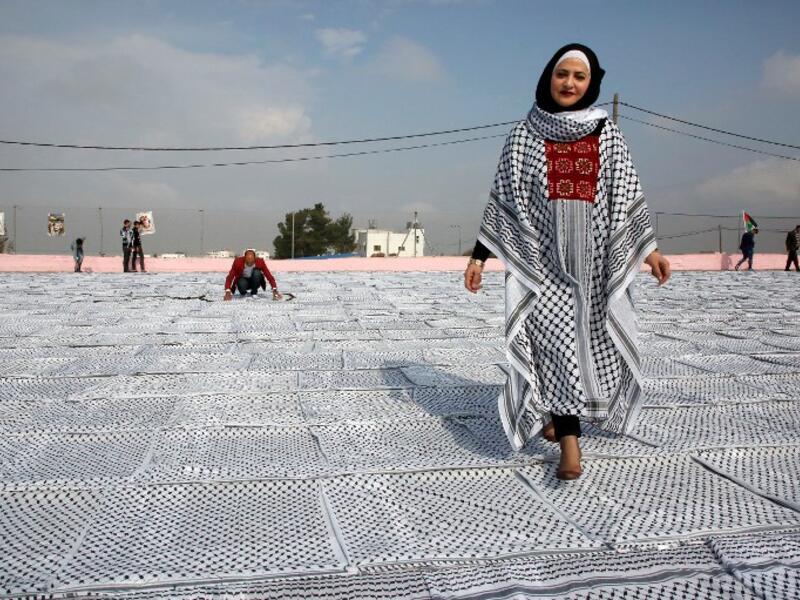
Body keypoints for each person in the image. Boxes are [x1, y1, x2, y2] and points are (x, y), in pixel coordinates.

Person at [464, 44, 670, 481]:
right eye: (563, 74)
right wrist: (480, 257)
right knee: (556, 348)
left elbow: (627, 192)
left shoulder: (606, 132)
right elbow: (503, 201)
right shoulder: (524, 135)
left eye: (579, 76)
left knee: (592, 349)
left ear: (591, 82)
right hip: (543, 268)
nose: (570, 84)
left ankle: (561, 416)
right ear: (548, 77)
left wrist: (648, 250)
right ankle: (570, 447)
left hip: (597, 268)